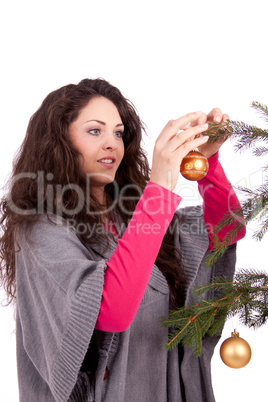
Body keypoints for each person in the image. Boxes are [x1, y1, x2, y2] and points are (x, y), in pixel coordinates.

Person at [0, 78, 246, 402]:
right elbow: (109, 310)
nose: (112, 143)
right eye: (94, 130)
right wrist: (160, 186)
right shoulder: (39, 230)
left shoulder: (134, 217)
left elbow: (226, 229)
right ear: (58, 140)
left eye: (118, 132)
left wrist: (207, 162)